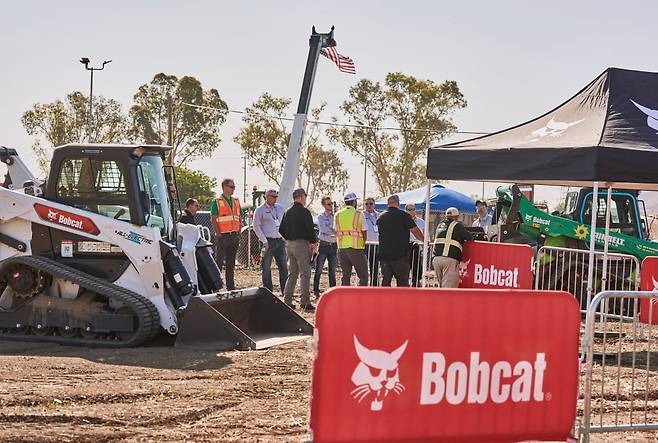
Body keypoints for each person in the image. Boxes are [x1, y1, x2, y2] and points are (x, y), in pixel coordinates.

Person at [279, 188, 317, 312]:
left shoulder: (288, 211)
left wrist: (288, 238)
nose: (305, 199)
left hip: (290, 245)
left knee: (292, 273)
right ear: (300, 197)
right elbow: (310, 230)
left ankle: (287, 300)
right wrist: (313, 243)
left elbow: (281, 230)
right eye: (305, 196)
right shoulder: (305, 212)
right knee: (305, 274)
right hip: (302, 244)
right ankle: (305, 301)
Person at [377, 195, 424, 287]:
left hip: (384, 256)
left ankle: (384, 300)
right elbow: (415, 231)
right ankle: (402, 301)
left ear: (388, 204)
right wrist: (424, 240)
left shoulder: (381, 217)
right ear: (398, 204)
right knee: (402, 282)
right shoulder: (404, 216)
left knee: (385, 281)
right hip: (400, 256)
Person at [253, 189, 288, 293]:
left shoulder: (280, 208)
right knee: (266, 268)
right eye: (273, 196)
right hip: (267, 242)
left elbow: (284, 224)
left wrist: (286, 238)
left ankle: (285, 292)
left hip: (280, 242)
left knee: (284, 268)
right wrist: (264, 241)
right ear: (266, 197)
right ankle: (268, 292)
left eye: (276, 196)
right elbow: (256, 226)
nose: (275, 198)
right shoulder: (259, 210)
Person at [211, 178, 241, 291]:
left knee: (231, 263)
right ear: (224, 187)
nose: (233, 189)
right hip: (223, 236)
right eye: (231, 187)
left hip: (234, 236)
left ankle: (230, 286)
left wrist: (238, 232)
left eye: (234, 187)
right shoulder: (217, 202)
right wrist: (218, 234)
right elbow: (213, 219)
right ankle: (216, 286)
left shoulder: (236, 201)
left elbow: (239, 217)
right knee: (218, 263)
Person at [433, 207, 474, 288]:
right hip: (450, 259)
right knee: (448, 288)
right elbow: (469, 237)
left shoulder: (440, 225)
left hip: (436, 259)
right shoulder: (457, 225)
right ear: (457, 217)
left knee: (440, 287)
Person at [335, 192, 369, 286]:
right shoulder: (359, 214)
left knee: (346, 275)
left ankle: (345, 298)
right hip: (356, 248)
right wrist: (363, 242)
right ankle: (361, 297)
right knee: (363, 275)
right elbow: (364, 231)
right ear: (354, 202)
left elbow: (336, 230)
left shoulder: (337, 214)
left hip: (341, 248)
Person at [313, 196, 337, 298]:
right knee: (319, 269)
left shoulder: (335, 216)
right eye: (328, 204)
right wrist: (334, 231)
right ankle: (316, 290)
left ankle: (333, 291)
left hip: (333, 245)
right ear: (323, 205)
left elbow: (337, 228)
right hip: (324, 245)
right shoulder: (320, 217)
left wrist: (332, 230)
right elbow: (323, 229)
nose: (330, 205)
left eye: (331, 203)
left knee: (332, 270)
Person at [405, 203, 425, 287]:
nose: (411, 211)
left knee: (417, 268)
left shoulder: (421, 222)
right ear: (406, 210)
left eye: (413, 209)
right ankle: (405, 284)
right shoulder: (402, 221)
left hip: (417, 247)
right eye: (409, 209)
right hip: (405, 247)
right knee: (405, 268)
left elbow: (426, 235)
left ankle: (416, 283)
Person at [363, 197, 380, 286]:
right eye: (367, 204)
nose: (368, 206)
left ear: (374, 205)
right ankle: (363, 284)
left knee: (375, 266)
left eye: (370, 204)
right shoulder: (361, 215)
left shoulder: (379, 215)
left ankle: (374, 285)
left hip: (376, 244)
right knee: (363, 267)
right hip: (365, 244)